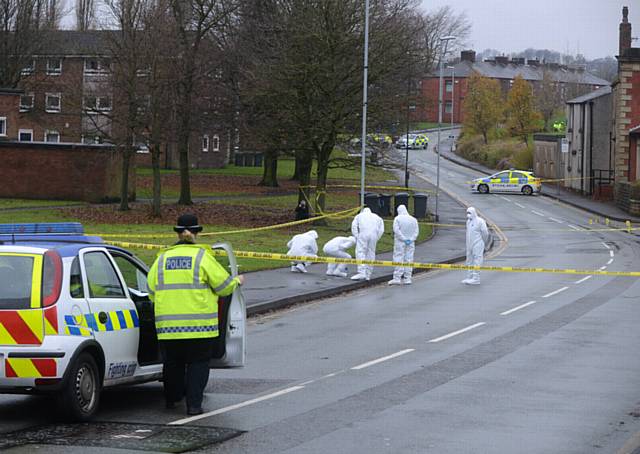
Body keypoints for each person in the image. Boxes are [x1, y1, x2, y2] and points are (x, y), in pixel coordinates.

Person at [147, 213, 244, 416]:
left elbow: (151, 290)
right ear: (197, 232)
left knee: (172, 363)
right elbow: (224, 287)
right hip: (199, 327)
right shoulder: (202, 257)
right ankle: (194, 405)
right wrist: (237, 281)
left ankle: (172, 399)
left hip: (168, 328)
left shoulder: (162, 258)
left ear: (177, 233)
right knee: (198, 365)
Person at [350, 207, 384, 281]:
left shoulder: (359, 216)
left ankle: (361, 272)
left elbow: (354, 226)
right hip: (374, 235)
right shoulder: (377, 217)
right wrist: (377, 238)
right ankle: (368, 274)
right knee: (371, 253)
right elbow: (381, 229)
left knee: (360, 252)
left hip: (363, 234)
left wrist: (356, 236)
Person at [388, 205, 419, 285]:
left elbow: (396, 231)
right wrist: (410, 239)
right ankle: (407, 278)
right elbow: (416, 231)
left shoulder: (397, 219)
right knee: (409, 259)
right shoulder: (413, 219)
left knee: (398, 258)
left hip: (400, 242)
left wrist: (403, 239)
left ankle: (397, 278)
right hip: (410, 243)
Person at [462, 207, 489, 285]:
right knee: (469, 260)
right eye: (467, 213)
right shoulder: (468, 222)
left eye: (469, 213)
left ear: (473, 213)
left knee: (477, 260)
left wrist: (483, 242)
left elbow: (485, 233)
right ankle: (469, 276)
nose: (468, 214)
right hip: (469, 244)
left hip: (478, 244)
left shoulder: (480, 221)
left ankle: (476, 278)